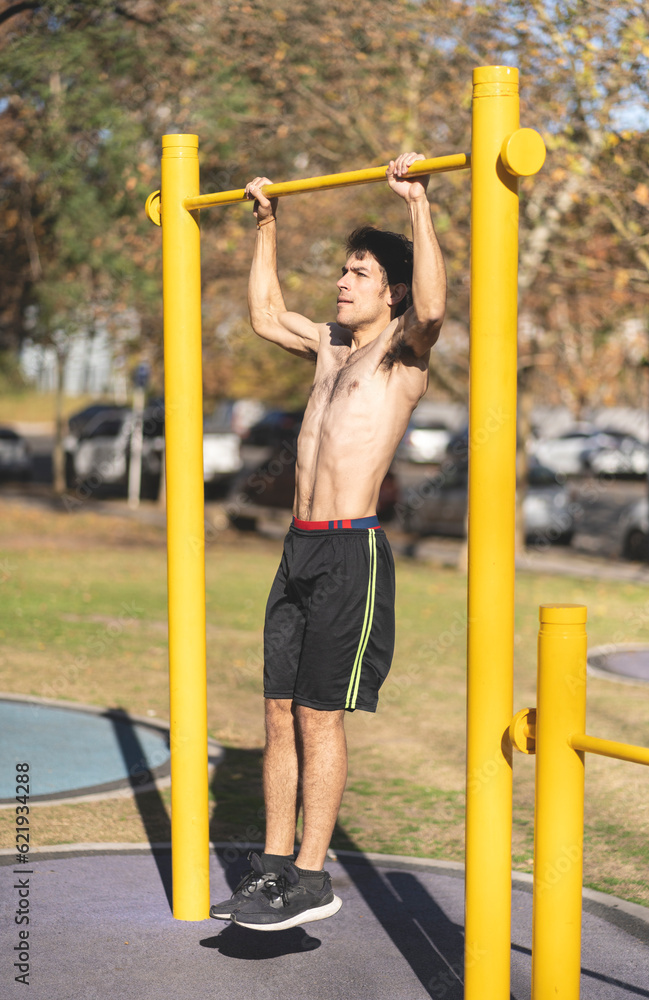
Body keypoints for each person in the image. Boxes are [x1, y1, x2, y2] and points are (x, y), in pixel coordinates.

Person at [210, 152, 446, 931]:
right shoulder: (330, 351)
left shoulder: (401, 359)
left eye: (359, 274)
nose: (342, 284)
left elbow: (437, 309)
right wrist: (265, 223)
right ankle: (274, 870)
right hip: (297, 547)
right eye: (342, 271)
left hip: (351, 551)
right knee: (277, 713)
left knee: (318, 716)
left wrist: (415, 203)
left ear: (393, 292)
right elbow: (263, 314)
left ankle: (312, 877)